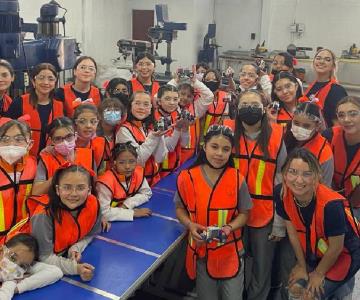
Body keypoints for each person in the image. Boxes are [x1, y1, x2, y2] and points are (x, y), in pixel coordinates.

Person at [175, 124, 252, 300]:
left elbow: (245, 213)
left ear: (231, 151)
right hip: (201, 251)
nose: (219, 154)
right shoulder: (187, 177)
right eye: (214, 147)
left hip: (231, 251)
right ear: (204, 146)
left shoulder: (237, 178)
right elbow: (179, 208)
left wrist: (229, 227)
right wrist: (190, 224)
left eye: (225, 149)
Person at [226, 90, 287, 300]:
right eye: (244, 105)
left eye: (255, 105)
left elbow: (281, 180)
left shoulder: (277, 135)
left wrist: (280, 220)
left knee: (262, 265)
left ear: (264, 109)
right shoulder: (226, 132)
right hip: (232, 213)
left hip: (266, 214)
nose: (249, 109)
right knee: (233, 260)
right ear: (237, 108)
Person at [276, 148, 360, 300]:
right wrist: (302, 265)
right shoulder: (281, 194)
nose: (298, 180)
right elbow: (293, 234)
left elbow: (336, 247)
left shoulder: (331, 205)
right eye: (293, 172)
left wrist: (318, 273)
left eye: (307, 174)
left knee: (311, 296)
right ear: (284, 174)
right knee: (295, 290)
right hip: (317, 251)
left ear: (316, 177)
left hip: (345, 253)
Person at [30, 165, 101, 281]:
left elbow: (91, 234)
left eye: (80, 188)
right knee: (55, 273)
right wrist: (75, 268)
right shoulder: (43, 216)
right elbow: (44, 257)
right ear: (58, 190)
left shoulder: (94, 203)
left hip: (58, 255)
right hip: (20, 261)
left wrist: (76, 247)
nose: (73, 194)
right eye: (67, 187)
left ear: (89, 190)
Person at [6, 63, 64, 156]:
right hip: (23, 158)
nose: (46, 82)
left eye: (50, 79)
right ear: (33, 81)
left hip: (52, 158)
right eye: (41, 78)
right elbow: (5, 131)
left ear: (55, 83)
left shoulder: (60, 105)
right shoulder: (19, 102)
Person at [32, 117, 96, 196]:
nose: (65, 142)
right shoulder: (46, 159)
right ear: (52, 141)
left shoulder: (89, 156)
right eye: (58, 139)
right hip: (55, 205)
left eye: (69, 136)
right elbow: (36, 192)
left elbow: (94, 189)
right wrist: (57, 176)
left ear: (75, 135)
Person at [116, 91, 167, 186]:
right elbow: (138, 160)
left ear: (151, 108)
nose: (141, 108)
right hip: (135, 185)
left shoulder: (150, 127)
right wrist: (154, 137)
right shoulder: (123, 130)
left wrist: (160, 136)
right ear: (130, 106)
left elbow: (160, 158)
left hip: (154, 181)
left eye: (146, 104)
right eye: (137, 103)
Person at [323, 96, 360, 219]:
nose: (346, 119)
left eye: (353, 114)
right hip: (331, 199)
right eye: (341, 115)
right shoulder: (329, 136)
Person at [96, 142, 152, 222]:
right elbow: (103, 212)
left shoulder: (138, 173)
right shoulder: (105, 183)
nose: (127, 166)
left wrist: (127, 204)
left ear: (136, 161)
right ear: (114, 163)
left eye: (132, 161)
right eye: (122, 162)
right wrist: (132, 213)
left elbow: (147, 193)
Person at [167, 68, 214, 163]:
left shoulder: (196, 108)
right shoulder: (169, 106)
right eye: (182, 94)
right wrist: (175, 81)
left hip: (189, 155)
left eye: (189, 96)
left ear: (193, 97)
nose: (185, 98)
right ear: (176, 94)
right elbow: (160, 94)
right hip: (169, 152)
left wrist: (195, 81)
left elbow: (209, 96)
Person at [0, 119, 35, 237]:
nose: (11, 144)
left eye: (19, 139)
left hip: (24, 236)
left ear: (30, 144)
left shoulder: (36, 166)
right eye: (5, 139)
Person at [0, 233, 63, 300]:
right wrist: (10, 285)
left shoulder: (21, 270)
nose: (14, 267)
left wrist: (16, 288)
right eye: (12, 258)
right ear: (1, 250)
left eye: (22, 266)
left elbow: (56, 271)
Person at [284, 102, 334, 186]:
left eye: (306, 126)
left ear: (317, 126)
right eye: (296, 123)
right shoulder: (284, 137)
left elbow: (325, 187)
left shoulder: (323, 152)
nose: (300, 128)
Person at [299, 48, 347, 128]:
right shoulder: (312, 86)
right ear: (314, 62)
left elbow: (338, 125)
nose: (321, 61)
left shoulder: (337, 90)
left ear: (333, 66)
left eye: (327, 60)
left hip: (325, 138)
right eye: (318, 58)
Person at [155, 85, 190, 177]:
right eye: (167, 99)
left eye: (175, 99)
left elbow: (184, 144)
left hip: (175, 166)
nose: (172, 103)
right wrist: (178, 129)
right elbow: (169, 147)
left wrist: (186, 129)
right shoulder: (154, 118)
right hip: (158, 170)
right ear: (159, 101)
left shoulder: (177, 115)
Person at [73, 103, 105, 174]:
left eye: (93, 122)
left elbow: (100, 172)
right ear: (75, 123)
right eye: (82, 122)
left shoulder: (100, 143)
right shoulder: (67, 143)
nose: (88, 126)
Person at [97, 98, 127, 171]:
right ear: (100, 115)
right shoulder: (94, 135)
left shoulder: (123, 133)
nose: (113, 113)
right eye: (108, 110)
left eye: (116, 110)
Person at [202, 69, 230, 136]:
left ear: (219, 81)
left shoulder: (226, 96)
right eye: (207, 80)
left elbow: (226, 116)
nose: (211, 82)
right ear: (203, 81)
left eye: (214, 80)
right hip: (203, 133)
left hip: (219, 133)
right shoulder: (200, 96)